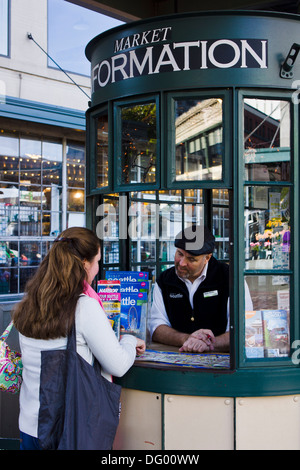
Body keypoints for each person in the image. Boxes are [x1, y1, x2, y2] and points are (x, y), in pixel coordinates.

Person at [13, 227, 145, 450]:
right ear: (84, 264)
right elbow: (119, 364)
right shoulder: (83, 307)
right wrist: (130, 341)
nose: (97, 269)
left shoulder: (30, 303)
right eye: (97, 262)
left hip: (29, 426)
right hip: (70, 429)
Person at [149, 225, 253, 353]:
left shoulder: (230, 278)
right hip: (177, 359)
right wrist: (187, 339)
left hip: (224, 363)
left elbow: (243, 328)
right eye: (179, 254)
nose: (181, 263)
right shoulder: (164, 280)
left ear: (207, 258)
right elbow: (156, 326)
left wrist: (208, 344)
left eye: (191, 259)